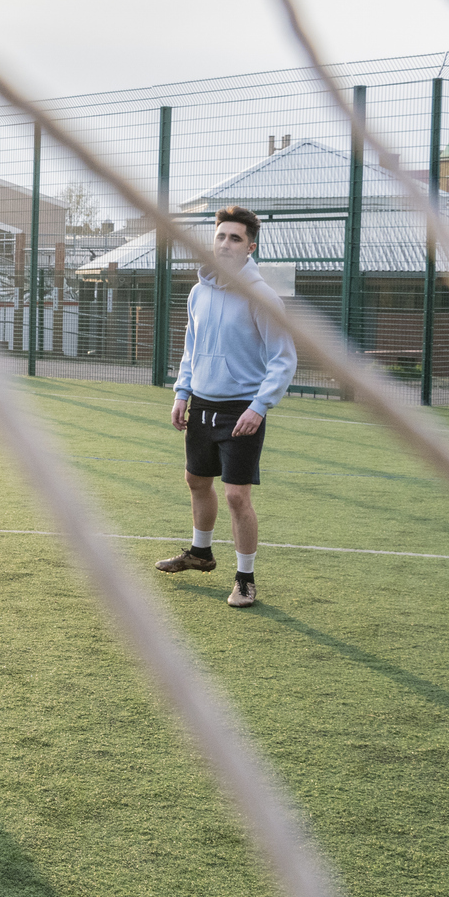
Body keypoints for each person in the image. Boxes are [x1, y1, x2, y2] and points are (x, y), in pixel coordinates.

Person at [154, 206, 296, 607]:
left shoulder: (262, 297)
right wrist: (182, 393)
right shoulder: (198, 292)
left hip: (242, 410)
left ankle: (246, 579)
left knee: (236, 496)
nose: (226, 244)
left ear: (251, 247)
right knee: (197, 483)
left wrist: (260, 406)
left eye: (235, 238)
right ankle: (200, 554)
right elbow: (191, 349)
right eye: (220, 236)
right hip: (201, 405)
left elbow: (284, 359)